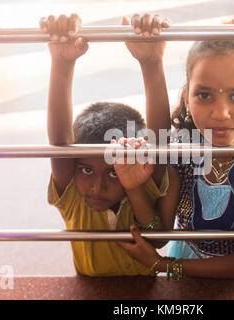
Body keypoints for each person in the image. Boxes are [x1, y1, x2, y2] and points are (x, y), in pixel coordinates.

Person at [118, 19, 234, 279]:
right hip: (187, 260)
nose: (220, 113)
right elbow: (159, 235)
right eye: (205, 95)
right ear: (187, 98)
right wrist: (135, 189)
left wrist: (163, 265)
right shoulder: (181, 152)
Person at [40, 13, 179, 277]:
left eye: (114, 172)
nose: (97, 186)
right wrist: (61, 63)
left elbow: (158, 239)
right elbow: (59, 143)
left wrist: (152, 63)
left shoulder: (144, 180)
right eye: (87, 170)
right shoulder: (73, 197)